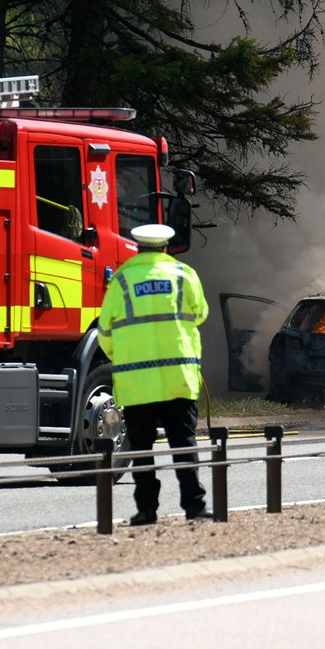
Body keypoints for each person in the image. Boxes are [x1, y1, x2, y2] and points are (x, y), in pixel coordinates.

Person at [97, 223, 210, 526]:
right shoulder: (184, 275)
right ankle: (195, 507)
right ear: (165, 247)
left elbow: (105, 331)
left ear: (137, 247)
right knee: (184, 444)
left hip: (137, 382)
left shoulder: (121, 281)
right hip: (178, 378)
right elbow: (200, 313)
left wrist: (123, 356)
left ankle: (147, 510)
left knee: (142, 448)